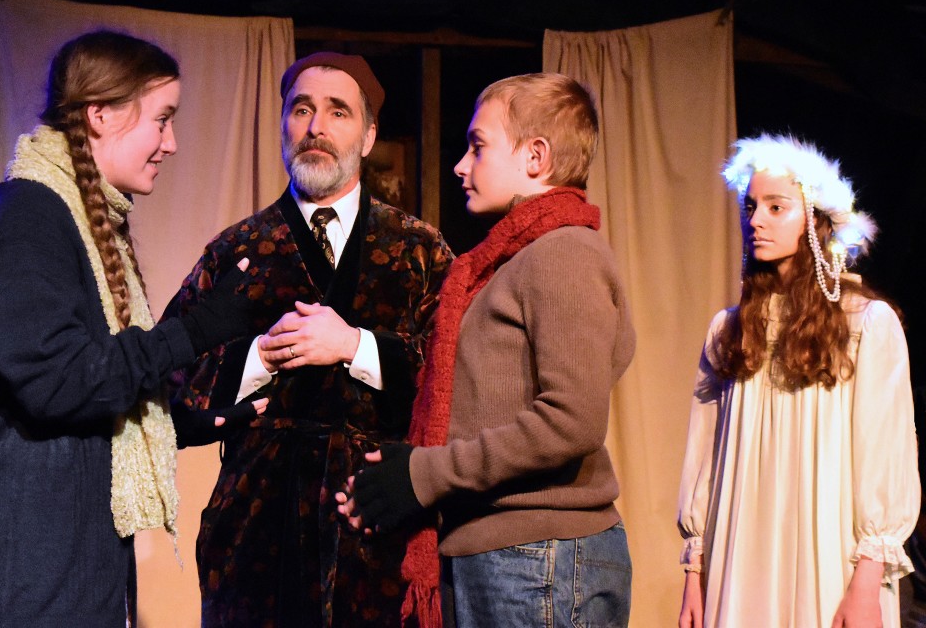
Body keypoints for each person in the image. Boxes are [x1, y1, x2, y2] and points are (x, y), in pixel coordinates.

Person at [0, 30, 265, 628]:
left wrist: (180, 423)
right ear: (101, 114)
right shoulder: (33, 217)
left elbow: (77, 401)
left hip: (59, 576)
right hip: (18, 585)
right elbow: (53, 379)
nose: (172, 142)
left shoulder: (79, 214)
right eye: (161, 120)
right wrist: (193, 330)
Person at [161, 52, 453, 626]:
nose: (316, 126)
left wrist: (356, 347)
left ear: (368, 136)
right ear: (283, 127)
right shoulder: (239, 250)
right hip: (255, 527)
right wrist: (261, 357)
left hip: (375, 523)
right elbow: (169, 384)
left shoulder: (419, 251)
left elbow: (457, 381)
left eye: (338, 112)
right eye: (301, 109)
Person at [339, 72, 636, 628]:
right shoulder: (511, 264)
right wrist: (398, 484)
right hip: (508, 555)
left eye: (478, 147)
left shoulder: (565, 252)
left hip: (538, 555)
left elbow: (571, 421)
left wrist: (425, 474)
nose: (460, 165)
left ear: (536, 156)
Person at [676, 134, 920, 628]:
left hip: (828, 561)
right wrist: (694, 575)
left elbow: (884, 455)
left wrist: (867, 583)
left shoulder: (867, 325)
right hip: (738, 555)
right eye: (751, 207)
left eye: (776, 207)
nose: (755, 220)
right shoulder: (730, 330)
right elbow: (706, 459)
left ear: (816, 220)